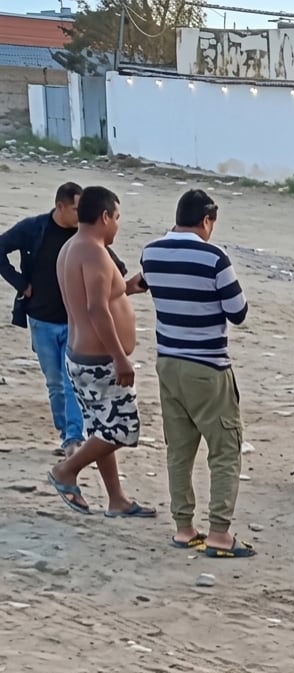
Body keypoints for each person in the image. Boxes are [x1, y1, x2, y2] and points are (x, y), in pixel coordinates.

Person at [139, 189, 254, 557]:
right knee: (224, 450)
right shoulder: (214, 257)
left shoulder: (151, 253)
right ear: (206, 220)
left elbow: (144, 284)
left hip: (167, 363)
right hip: (207, 366)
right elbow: (238, 312)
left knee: (179, 450)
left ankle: (184, 528)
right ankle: (219, 533)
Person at [47, 186, 154, 518]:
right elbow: (96, 309)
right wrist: (120, 357)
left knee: (100, 427)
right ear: (105, 216)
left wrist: (128, 287)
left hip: (80, 356)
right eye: (117, 217)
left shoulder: (70, 248)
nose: (117, 225)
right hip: (99, 360)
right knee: (122, 428)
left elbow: (98, 298)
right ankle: (66, 470)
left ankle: (116, 500)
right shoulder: (94, 252)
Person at [1, 182, 85, 457]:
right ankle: (65, 434)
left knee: (71, 380)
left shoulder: (84, 234)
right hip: (41, 321)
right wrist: (20, 284)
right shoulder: (34, 228)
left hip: (74, 321)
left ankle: (74, 438)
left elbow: (111, 263)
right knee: (55, 384)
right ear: (60, 206)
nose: (81, 214)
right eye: (76, 209)